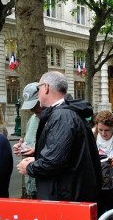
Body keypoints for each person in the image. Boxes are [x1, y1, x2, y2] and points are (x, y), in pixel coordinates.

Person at [17, 71, 102, 202]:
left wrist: (29, 168)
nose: (38, 93)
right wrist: (37, 155)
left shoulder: (61, 116)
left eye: (38, 88)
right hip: (69, 195)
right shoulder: (66, 114)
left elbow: (53, 162)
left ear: (45, 88)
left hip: (64, 198)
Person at [12, 82, 42, 198]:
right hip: (32, 184)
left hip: (45, 186)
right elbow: (29, 142)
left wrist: (36, 152)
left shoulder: (55, 120)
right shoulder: (32, 119)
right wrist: (22, 147)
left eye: (35, 105)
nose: (32, 110)